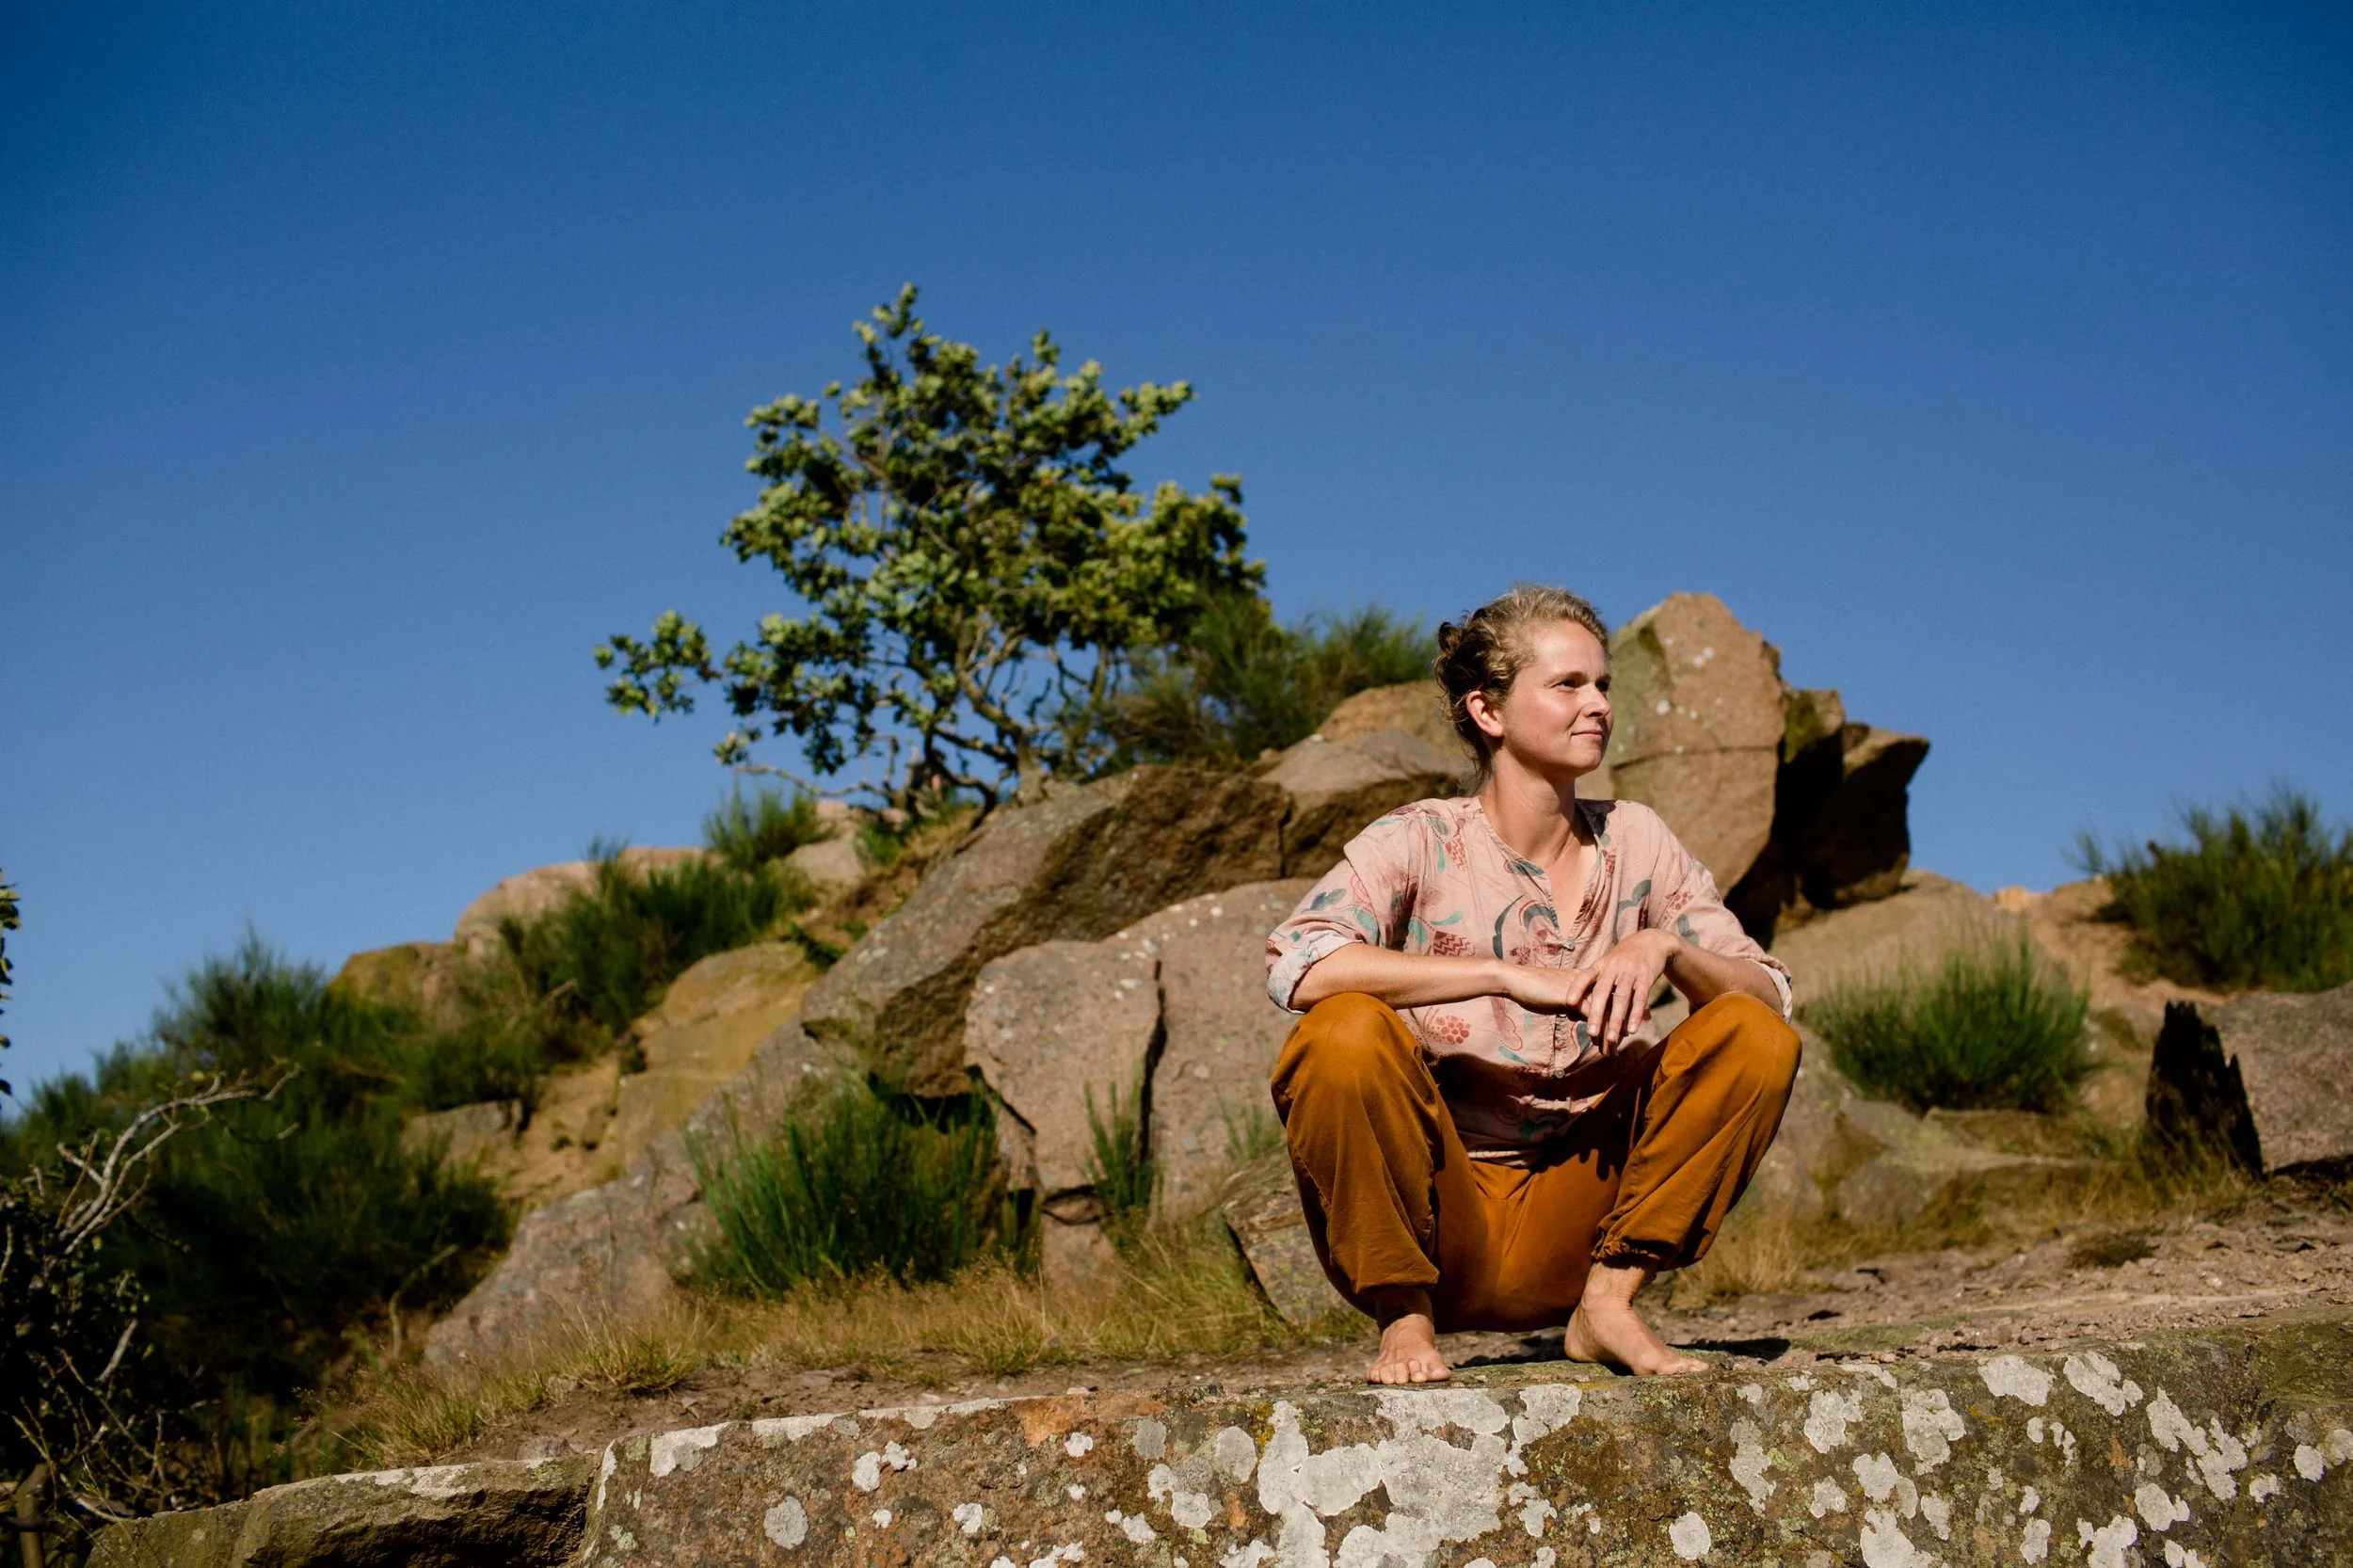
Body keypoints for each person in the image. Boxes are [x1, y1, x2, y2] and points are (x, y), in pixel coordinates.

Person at [1263, 584, 1801, 1384]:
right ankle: (1404, 1319)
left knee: (1752, 1034)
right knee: (1339, 1031)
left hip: (1586, 1215)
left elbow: (1770, 993)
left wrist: (1663, 948)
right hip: (1443, 1217)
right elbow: (1297, 962)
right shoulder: (1420, 840)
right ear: (1489, 712)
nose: (1598, 706)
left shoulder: (1638, 839)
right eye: (1567, 685)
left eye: (1604, 685)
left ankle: (1608, 1308)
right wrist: (1497, 976)